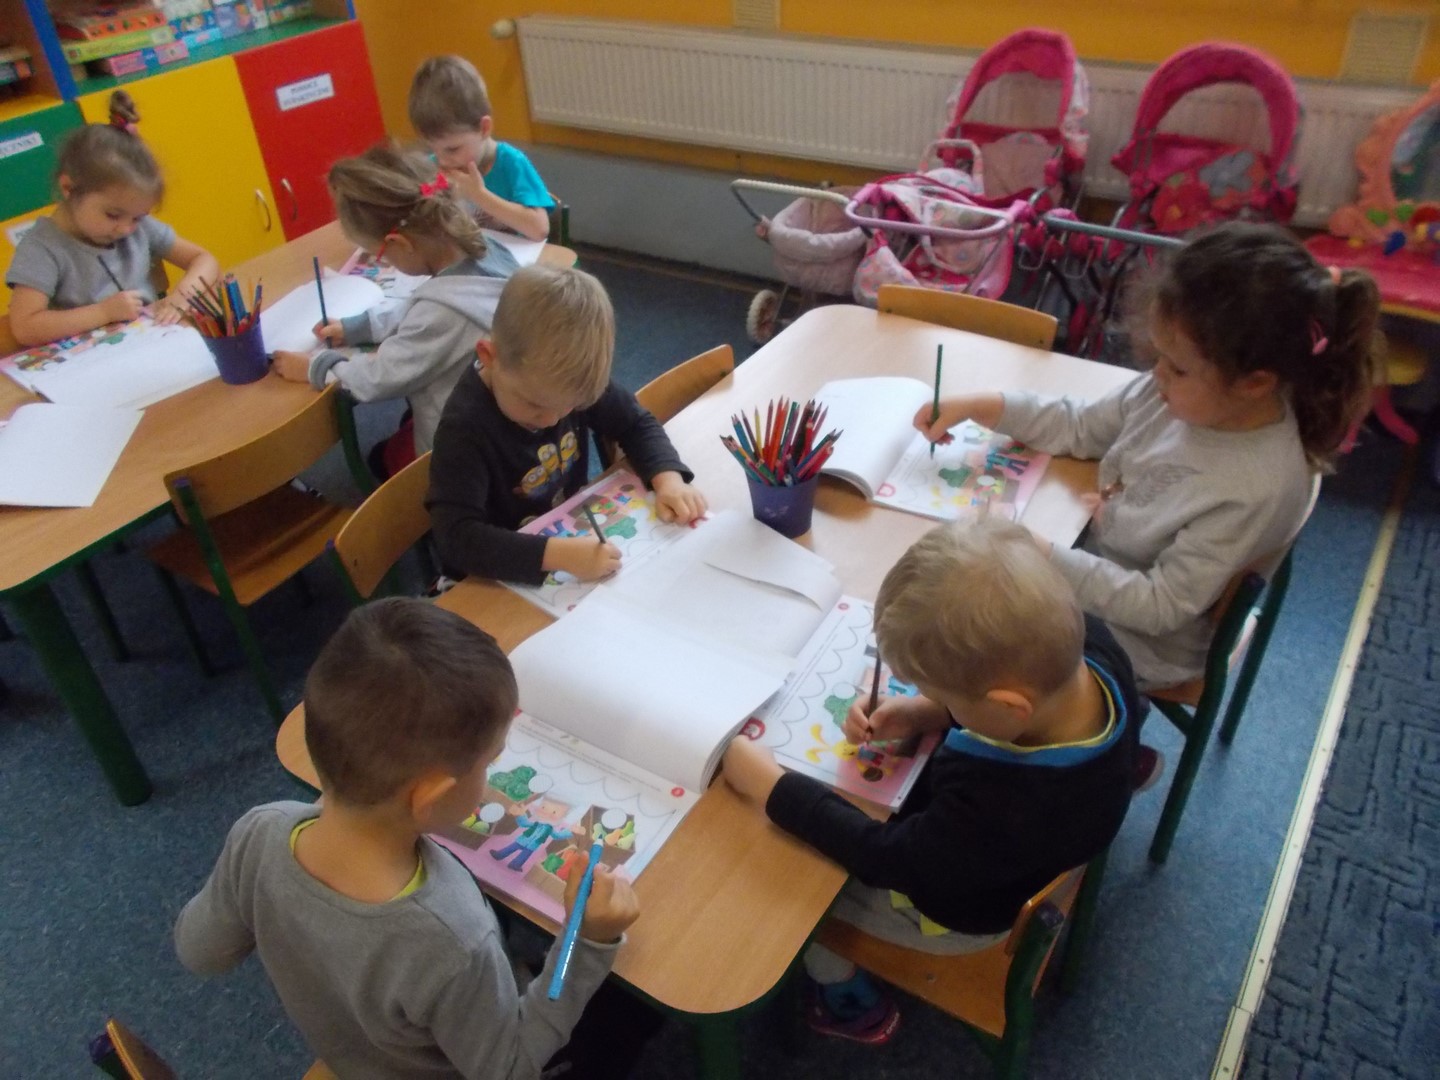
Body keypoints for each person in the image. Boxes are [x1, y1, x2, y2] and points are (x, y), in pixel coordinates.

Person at [174, 598, 641, 1078]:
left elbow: (199, 950)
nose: (490, 776)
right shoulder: (452, 939)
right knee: (629, 1012)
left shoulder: (259, 830)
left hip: (356, 1057)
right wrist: (584, 942)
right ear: (429, 797)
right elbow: (506, 1069)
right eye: (488, 762)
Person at [722, 518, 1141, 1043]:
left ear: (1007, 706)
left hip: (959, 916)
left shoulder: (1000, 808)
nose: (934, 698)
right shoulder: (1093, 650)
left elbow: (885, 858)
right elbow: (997, 720)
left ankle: (839, 992)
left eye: (943, 693)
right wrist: (931, 710)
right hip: (1027, 855)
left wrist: (772, 787)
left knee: (790, 874)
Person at [917, 222, 1379, 696]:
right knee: (958, 596)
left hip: (1142, 643)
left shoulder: (1256, 487)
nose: (1157, 374)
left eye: (1177, 367)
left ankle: (1084, 739)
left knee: (966, 633)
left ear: (1254, 383)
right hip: (1100, 561)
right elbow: (1082, 426)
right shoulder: (1183, 393)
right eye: (1160, 356)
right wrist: (988, 406)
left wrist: (1043, 555)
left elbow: (1160, 606)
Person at [427, 264, 706, 585]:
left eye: (570, 407)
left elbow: (635, 423)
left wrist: (668, 479)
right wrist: (555, 555)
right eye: (535, 405)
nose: (552, 420)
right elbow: (456, 539)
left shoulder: (565, 383)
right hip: (488, 578)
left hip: (568, 534)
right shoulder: (465, 428)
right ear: (490, 356)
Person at [270, 142, 518, 478]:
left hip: (466, 454)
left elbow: (379, 379)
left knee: (380, 459)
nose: (384, 261)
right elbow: (426, 308)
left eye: (380, 254)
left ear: (400, 243)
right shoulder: (487, 250)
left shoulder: (440, 313)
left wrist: (315, 366)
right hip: (503, 420)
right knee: (405, 422)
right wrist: (361, 327)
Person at [6, 90, 220, 347]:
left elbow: (204, 260)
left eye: (138, 218)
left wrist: (183, 297)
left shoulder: (135, 224)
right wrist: (103, 313)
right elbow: (25, 327)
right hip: (87, 361)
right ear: (68, 188)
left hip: (149, 345)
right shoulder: (42, 248)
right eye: (112, 215)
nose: (126, 229)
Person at [409, 55, 554, 242]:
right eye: (432, 148)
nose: (442, 160)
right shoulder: (432, 167)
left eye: (452, 149)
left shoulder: (511, 163)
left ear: (484, 129)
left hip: (513, 256)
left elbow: (539, 229)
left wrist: (478, 195)